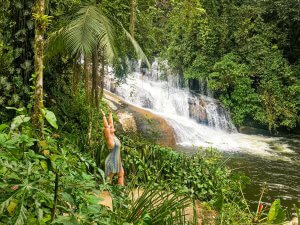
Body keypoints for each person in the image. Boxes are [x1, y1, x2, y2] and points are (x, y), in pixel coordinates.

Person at [100, 109, 124, 186]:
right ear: (108, 131)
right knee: (109, 178)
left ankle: (121, 189)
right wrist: (103, 116)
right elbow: (106, 126)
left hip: (117, 158)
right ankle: (104, 192)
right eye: (110, 127)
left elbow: (110, 123)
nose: (111, 126)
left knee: (121, 174)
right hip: (112, 159)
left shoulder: (113, 136)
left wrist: (110, 113)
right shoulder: (109, 138)